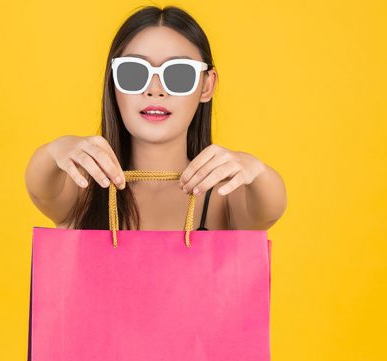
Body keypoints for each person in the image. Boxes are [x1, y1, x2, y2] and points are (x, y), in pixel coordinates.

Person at [24, 5, 286, 232]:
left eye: (179, 74)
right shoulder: (84, 192)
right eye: (134, 72)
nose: (154, 88)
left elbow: (272, 206)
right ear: (113, 82)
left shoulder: (225, 196)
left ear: (206, 86)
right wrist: (57, 149)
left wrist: (256, 169)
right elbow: (39, 184)